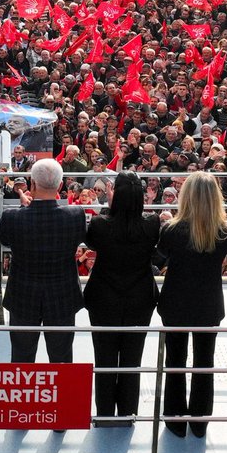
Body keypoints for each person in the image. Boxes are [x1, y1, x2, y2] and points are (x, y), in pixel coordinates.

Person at [156, 172, 227, 438]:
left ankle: (175, 420)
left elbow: (160, 256)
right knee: (205, 362)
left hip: (176, 303)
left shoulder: (170, 231)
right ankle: (200, 422)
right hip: (208, 304)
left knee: (175, 360)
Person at [82, 171, 160, 423]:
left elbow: (92, 243)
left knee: (104, 358)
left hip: (103, 299)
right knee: (132, 359)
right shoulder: (152, 223)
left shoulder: (100, 224)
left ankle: (105, 414)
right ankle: (127, 414)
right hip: (139, 299)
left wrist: (110, 206)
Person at [0, 159, 86, 364]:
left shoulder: (12, 217)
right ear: (60, 186)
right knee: (62, 359)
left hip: (23, 297)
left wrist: (23, 210)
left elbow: (4, 239)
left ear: (32, 184)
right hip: (62, 297)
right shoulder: (75, 215)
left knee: (22, 360)